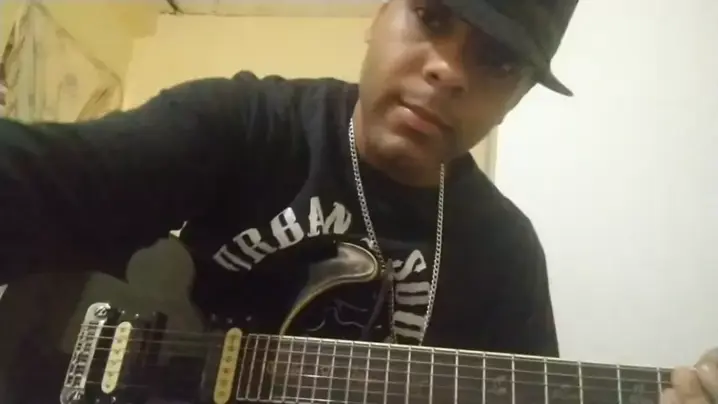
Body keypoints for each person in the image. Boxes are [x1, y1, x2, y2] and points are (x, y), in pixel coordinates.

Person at [0, 0, 715, 402]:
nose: (448, 69)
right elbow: (52, 179)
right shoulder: (246, 123)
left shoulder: (505, 256)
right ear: (380, 14)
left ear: (518, 98)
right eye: (432, 16)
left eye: (497, 61)